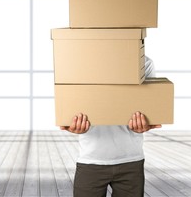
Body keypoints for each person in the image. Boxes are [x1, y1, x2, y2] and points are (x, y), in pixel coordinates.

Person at [60, 56, 161, 197]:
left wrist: (145, 125)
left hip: (131, 160)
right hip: (91, 160)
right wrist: (73, 124)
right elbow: (69, 105)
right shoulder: (79, 59)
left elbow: (149, 109)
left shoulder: (144, 62)